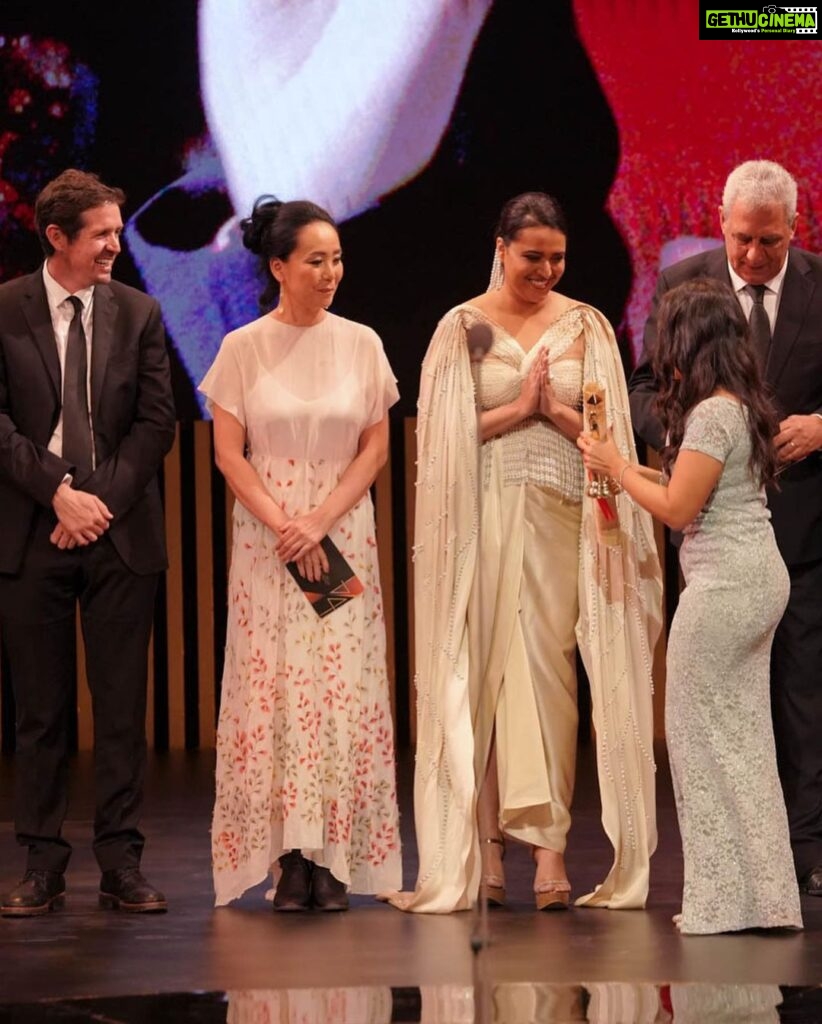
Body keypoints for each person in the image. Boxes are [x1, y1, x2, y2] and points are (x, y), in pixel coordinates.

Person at [384, 192, 662, 913]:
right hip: (481, 519)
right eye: (531, 255)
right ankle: (483, 854)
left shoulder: (585, 327)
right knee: (482, 674)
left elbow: (609, 434)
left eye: (556, 257)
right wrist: (516, 410)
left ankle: (550, 852)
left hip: (562, 516)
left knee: (547, 678)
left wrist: (555, 412)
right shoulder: (465, 328)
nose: (544, 268)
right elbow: (441, 436)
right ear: (501, 247)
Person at [581, 278, 803, 934]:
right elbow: (690, 488)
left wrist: (617, 467)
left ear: (685, 341)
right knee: (742, 741)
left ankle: (720, 903)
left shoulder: (711, 414)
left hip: (725, 589)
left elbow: (678, 509)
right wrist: (618, 463)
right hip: (754, 579)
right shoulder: (739, 406)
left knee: (700, 741)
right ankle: (761, 899)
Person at [200, 197, 402, 912]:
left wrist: (318, 520)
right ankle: (289, 856)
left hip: (341, 535)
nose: (330, 273)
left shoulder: (362, 343)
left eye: (337, 259)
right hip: (268, 543)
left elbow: (375, 444)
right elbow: (228, 452)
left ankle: (334, 855)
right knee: (277, 689)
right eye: (315, 261)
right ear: (279, 266)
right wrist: (285, 523)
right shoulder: (242, 348)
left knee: (340, 688)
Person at [629, 160, 822, 898]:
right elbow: (647, 387)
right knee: (725, 709)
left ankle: (804, 848)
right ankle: (739, 852)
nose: (751, 256)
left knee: (803, 698)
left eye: (768, 242)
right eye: (742, 239)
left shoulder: (818, 285)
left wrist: (818, 426)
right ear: (721, 220)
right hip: (714, 530)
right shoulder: (689, 286)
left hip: (804, 529)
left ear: (793, 230)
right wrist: (694, 439)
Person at [0, 169, 176, 916]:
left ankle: (120, 861)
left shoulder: (138, 312)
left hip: (117, 533)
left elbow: (156, 423)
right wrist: (57, 492)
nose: (114, 244)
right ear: (58, 238)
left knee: (120, 709)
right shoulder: (5, 309)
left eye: (116, 229)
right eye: (101, 233)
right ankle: (40, 862)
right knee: (40, 712)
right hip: (31, 530)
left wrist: (95, 501)